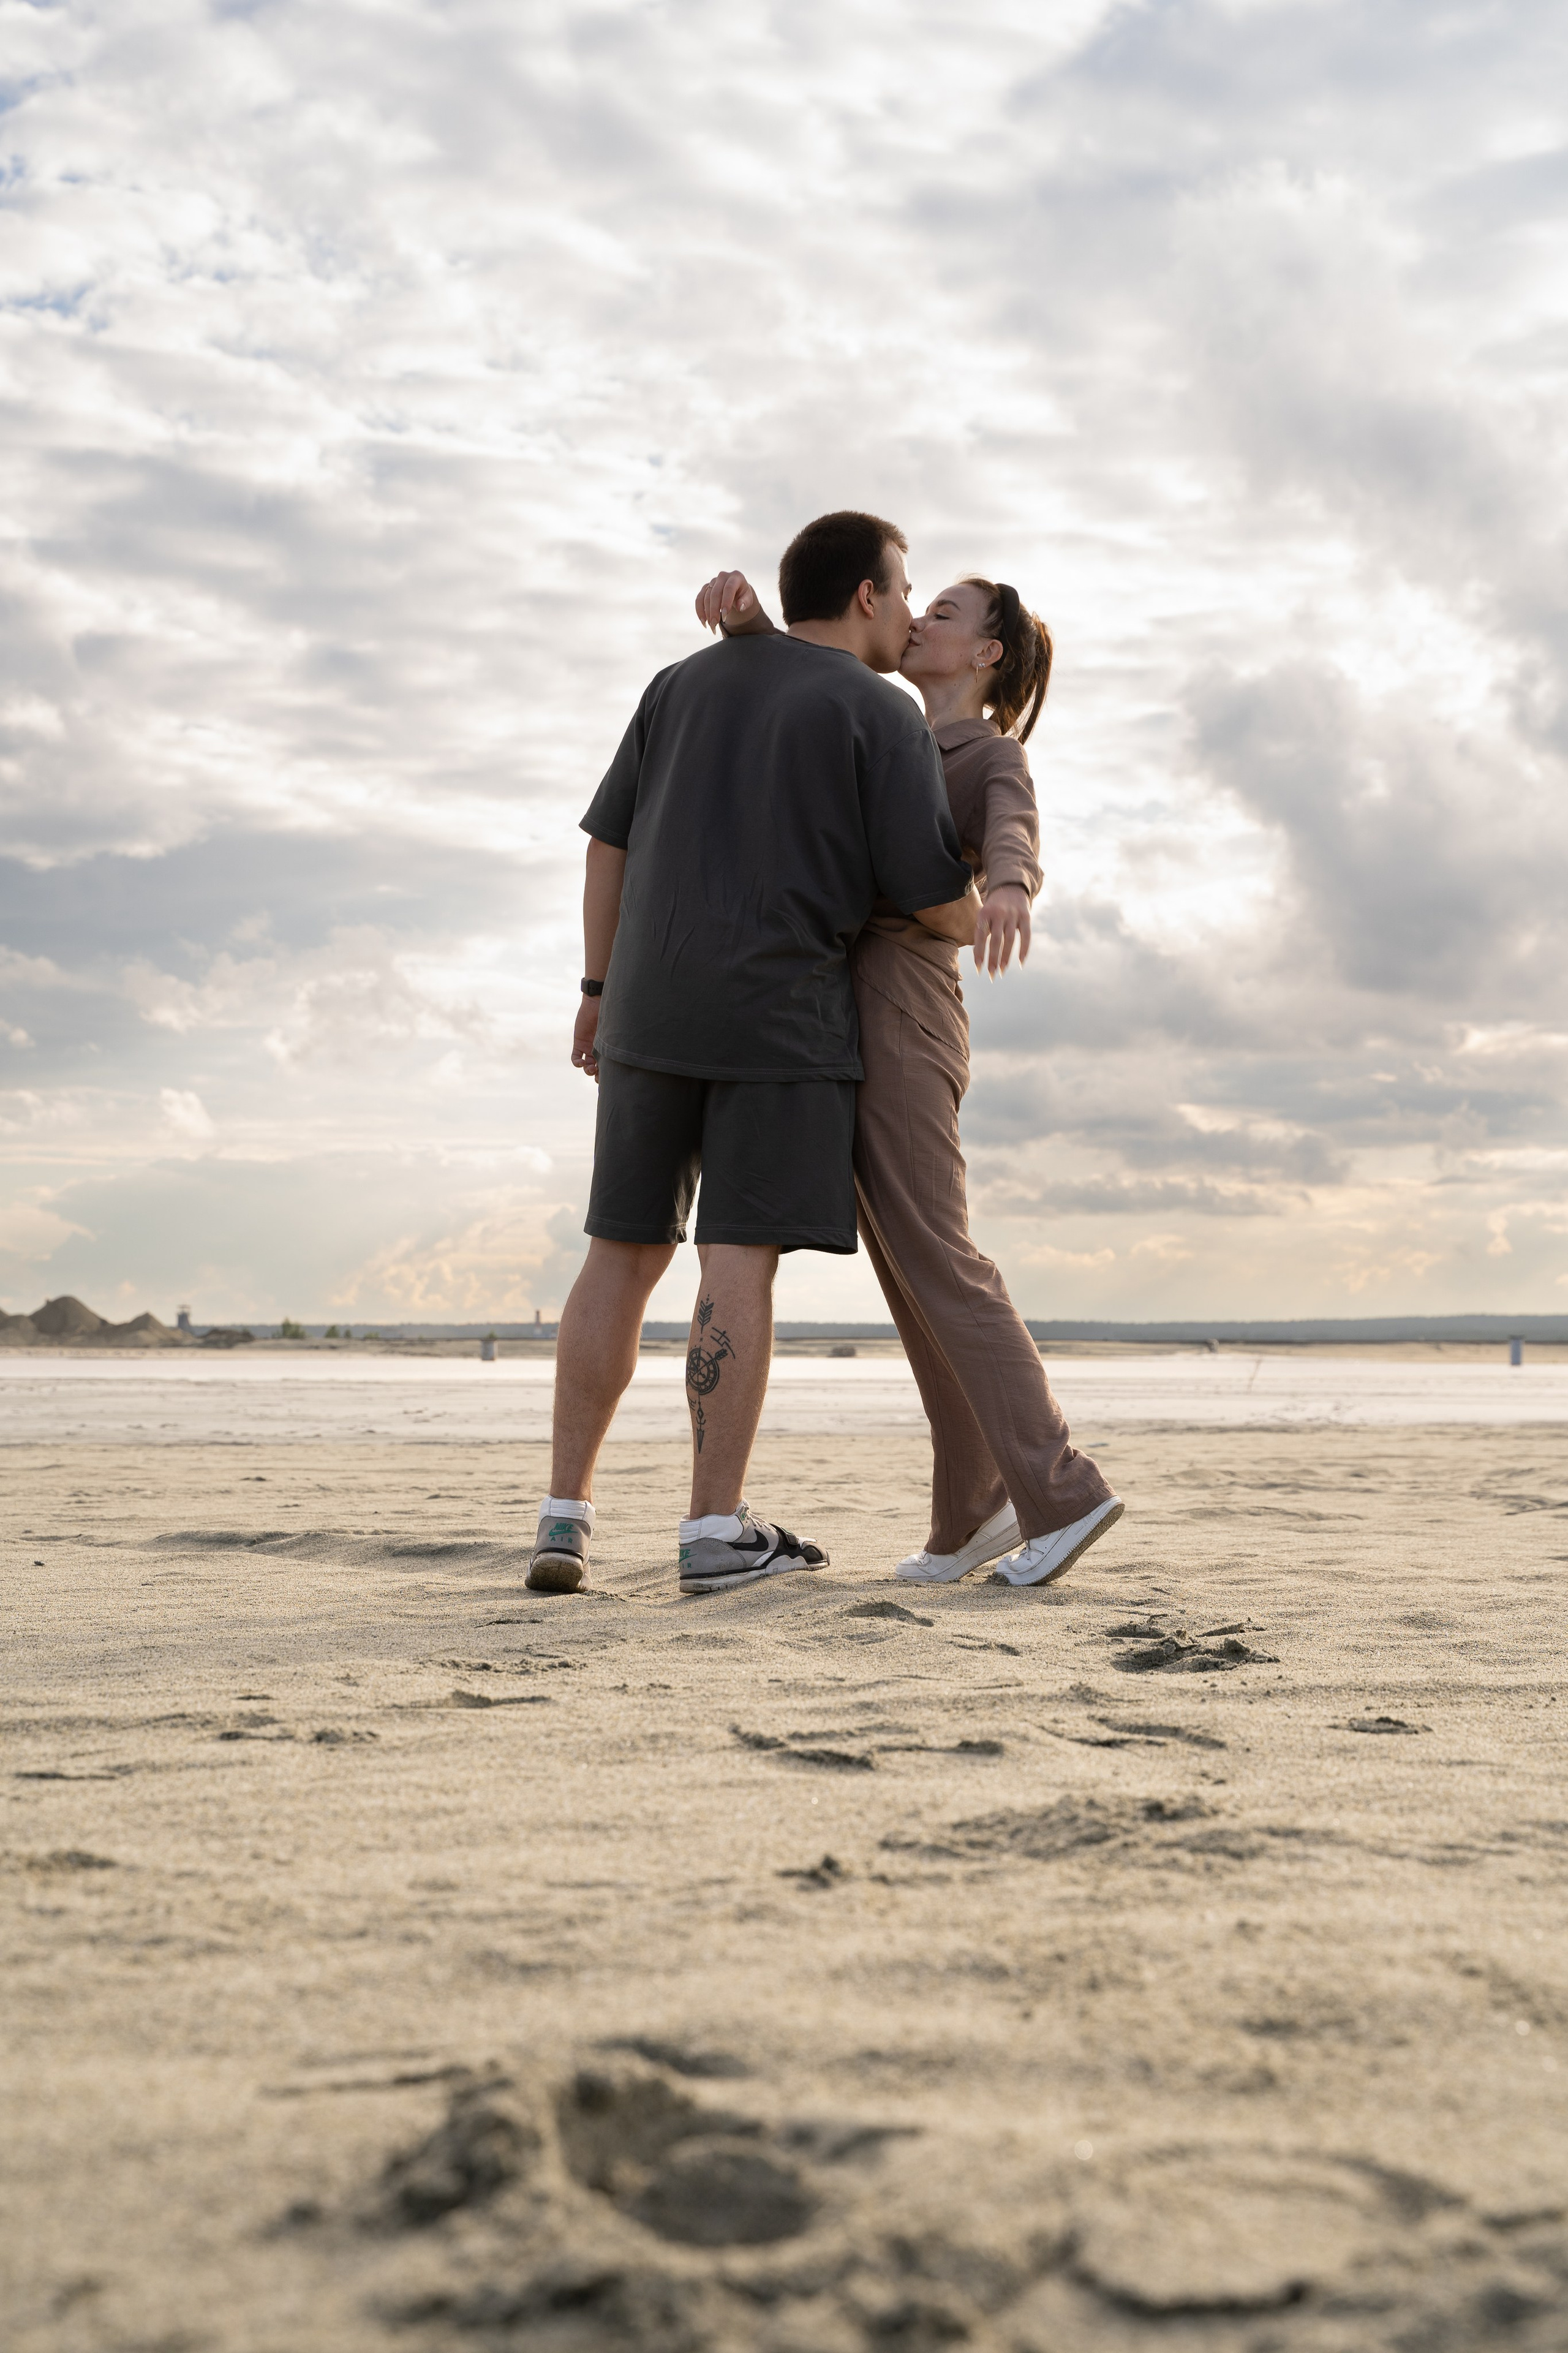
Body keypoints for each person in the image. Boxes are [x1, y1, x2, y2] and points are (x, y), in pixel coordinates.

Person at [529, 512, 976, 1598]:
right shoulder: (879, 713)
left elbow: (607, 842)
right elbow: (927, 897)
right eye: (904, 588)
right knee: (736, 1256)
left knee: (619, 1251)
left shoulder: (680, 683)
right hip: (778, 1016)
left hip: (646, 998)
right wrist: (994, 902)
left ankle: (563, 1514)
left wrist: (596, 988)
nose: (913, 611)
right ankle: (712, 1527)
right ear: (865, 596)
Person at [693, 563, 1123, 1588]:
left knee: (940, 1252)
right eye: (918, 604)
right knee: (908, 1268)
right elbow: (813, 678)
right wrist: (754, 627)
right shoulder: (888, 726)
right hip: (845, 1014)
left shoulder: (990, 750)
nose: (920, 618)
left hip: (907, 1007)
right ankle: (970, 1508)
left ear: (987, 656)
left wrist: (1012, 884)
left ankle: (1061, 1491)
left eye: (945, 614)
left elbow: (1013, 823)